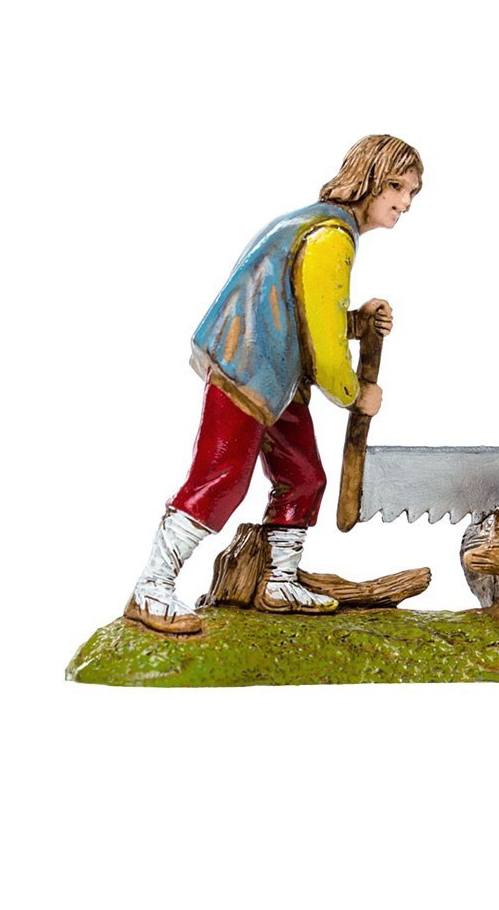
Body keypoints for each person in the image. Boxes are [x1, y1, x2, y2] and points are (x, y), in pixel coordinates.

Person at [124, 134, 423, 634]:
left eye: (412, 192)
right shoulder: (331, 237)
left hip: (277, 374)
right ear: (369, 179)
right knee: (221, 478)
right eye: (397, 186)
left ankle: (278, 581)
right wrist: (355, 395)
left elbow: (302, 310)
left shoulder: (319, 226)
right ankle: (151, 586)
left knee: (303, 475)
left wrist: (357, 322)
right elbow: (322, 343)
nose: (405, 202)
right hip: (249, 368)